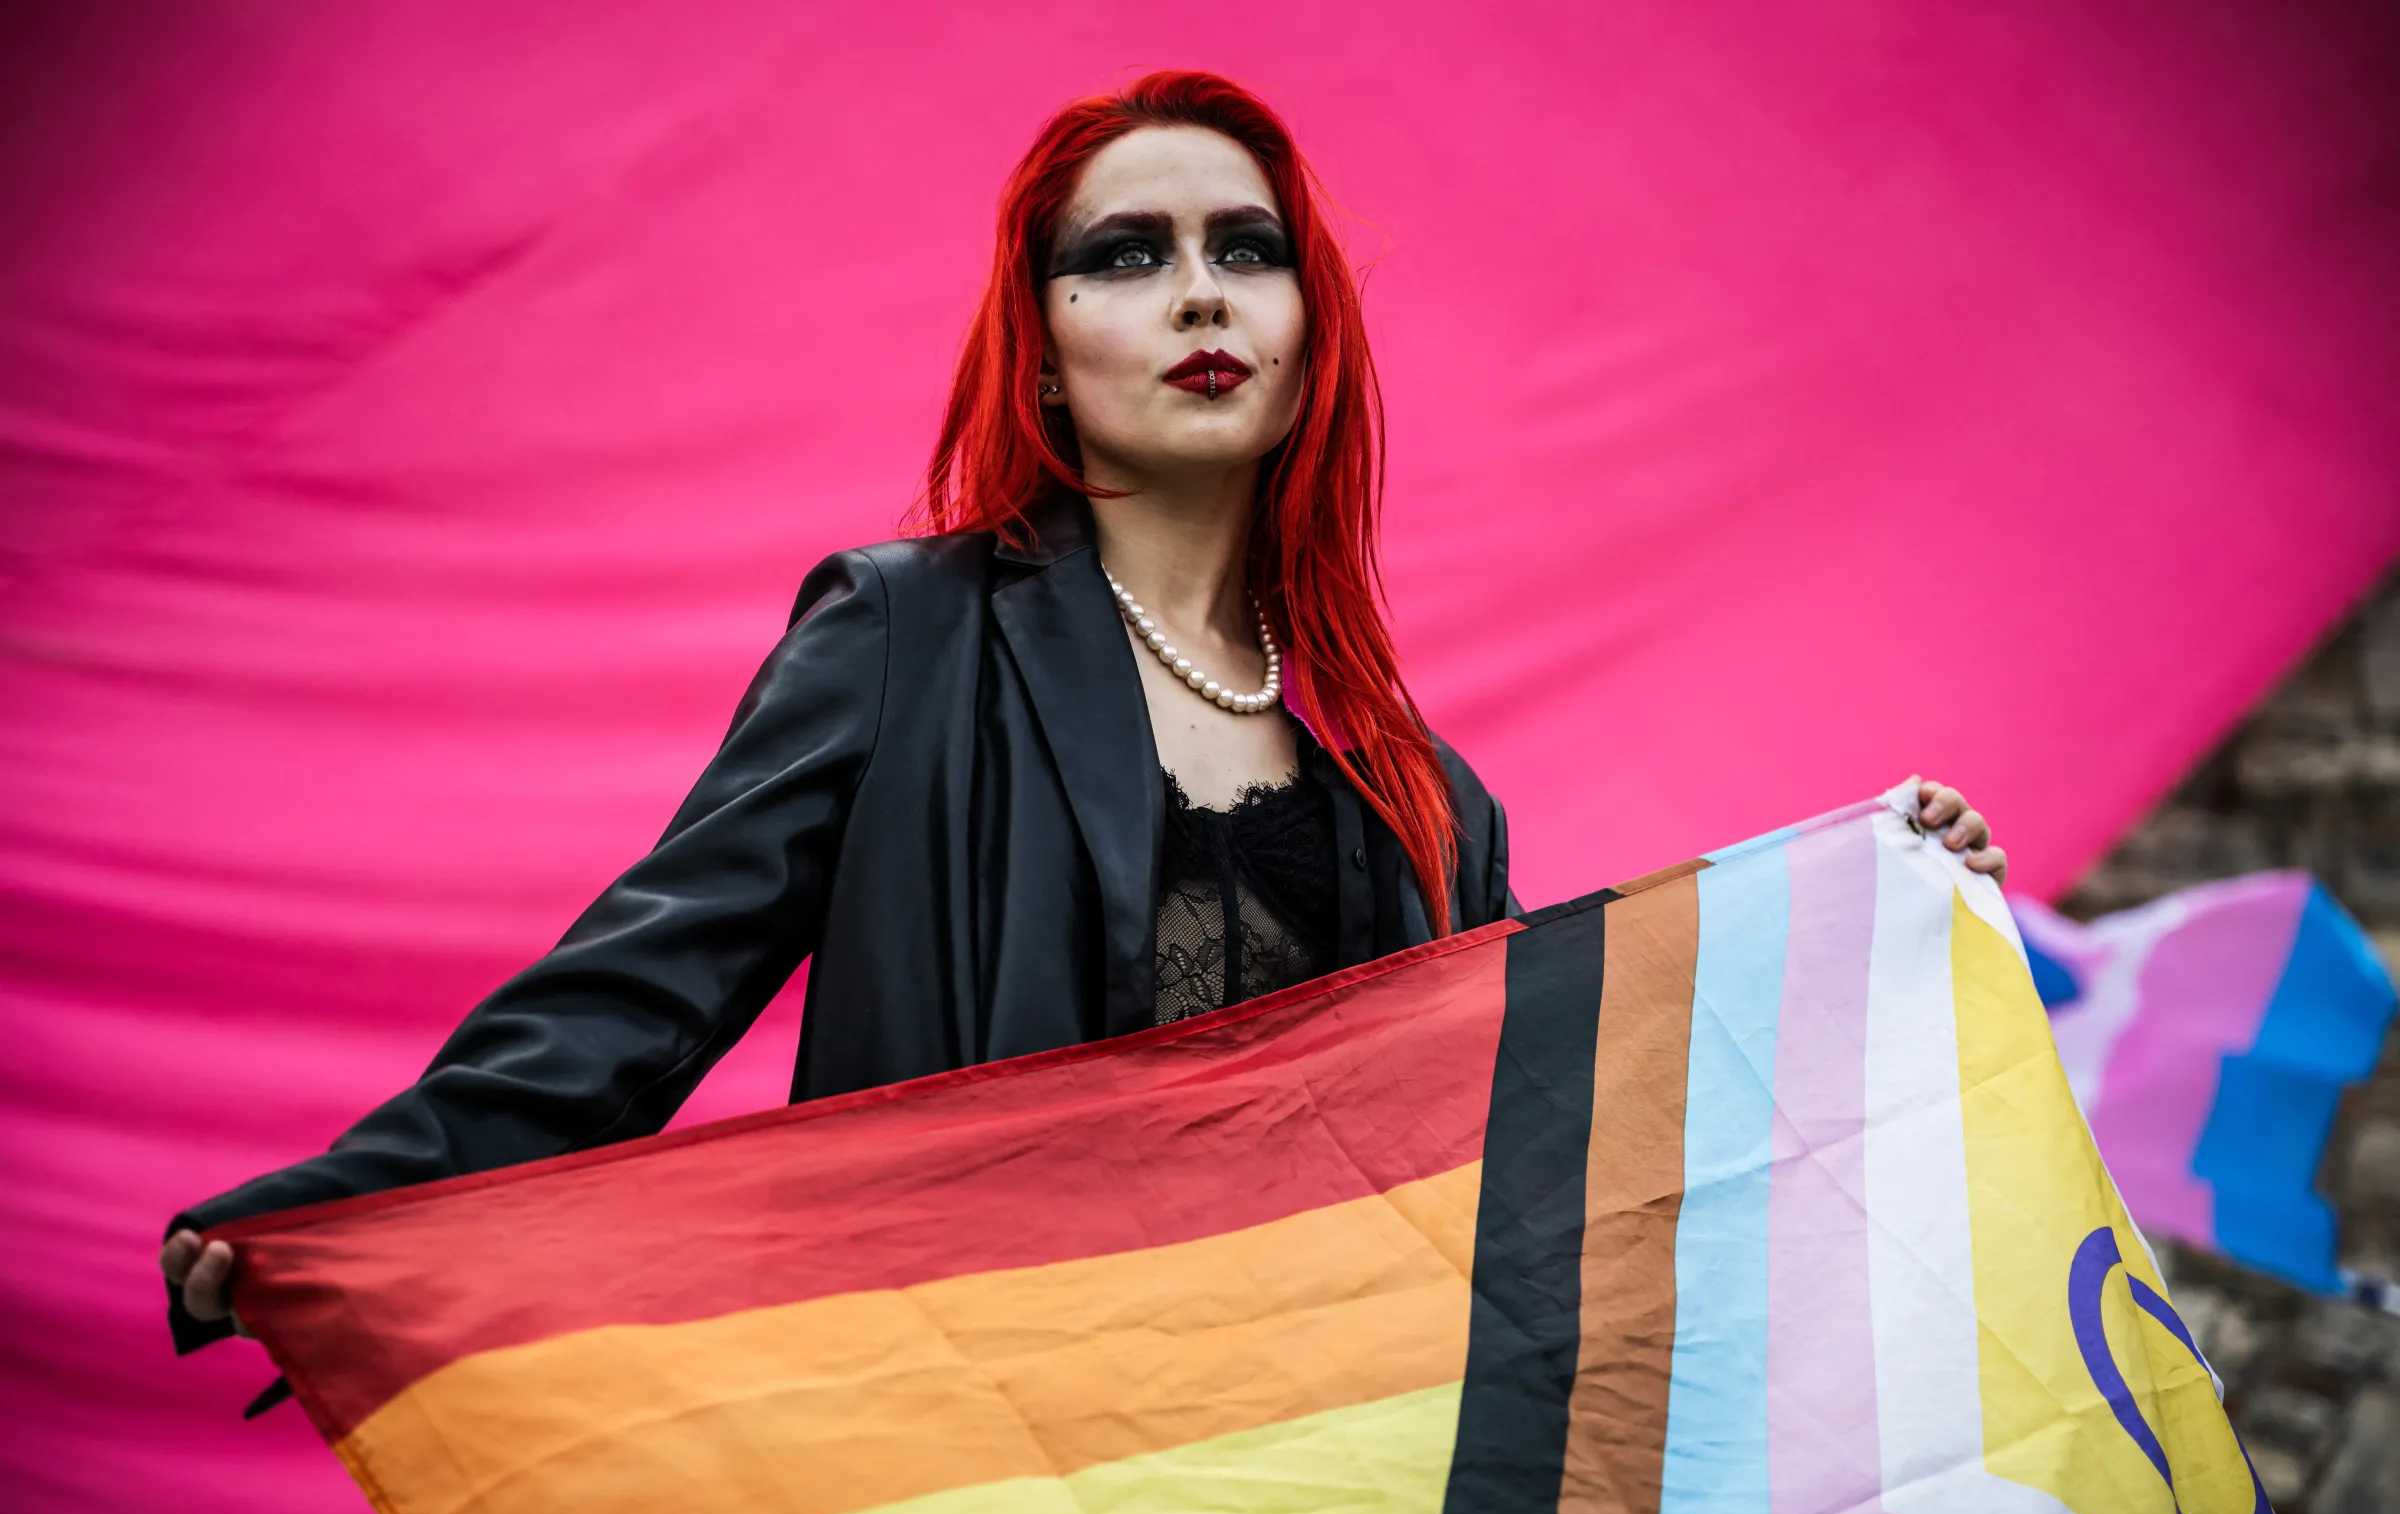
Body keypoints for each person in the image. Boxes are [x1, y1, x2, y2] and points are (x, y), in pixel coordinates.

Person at [160, 70, 2007, 1348]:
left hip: (1305, 1481)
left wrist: (1869, 914)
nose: (1198, 287)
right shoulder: (907, 634)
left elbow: (1551, 1107)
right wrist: (347, 1210)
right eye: (1125, 253)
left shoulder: (1424, 792)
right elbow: (634, 1001)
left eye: (1245, 246)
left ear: (1305, 340)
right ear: (1041, 341)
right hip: (956, 1438)